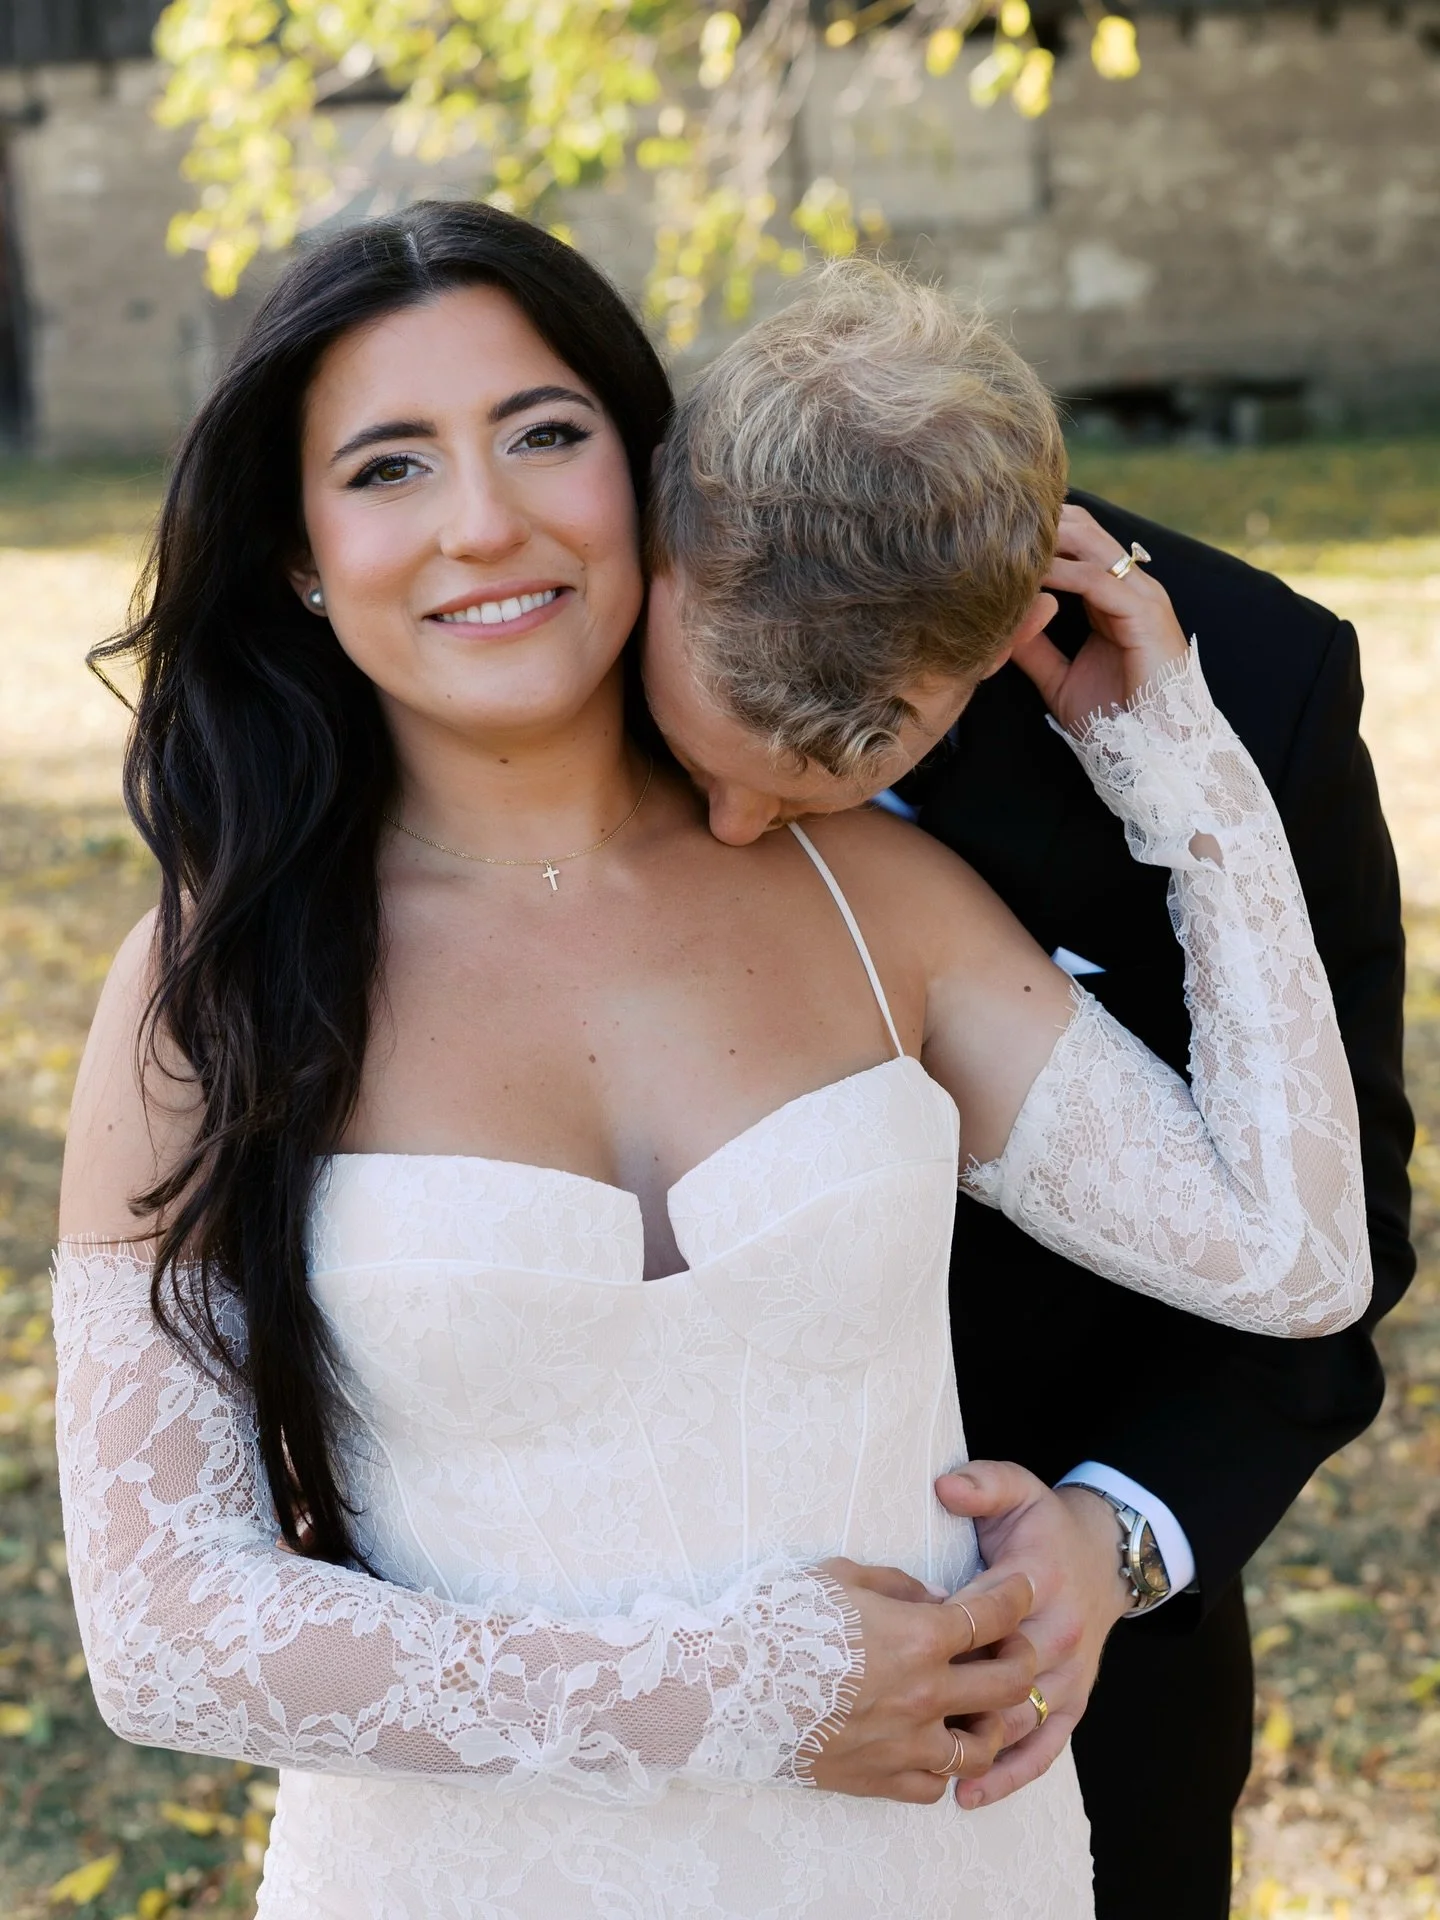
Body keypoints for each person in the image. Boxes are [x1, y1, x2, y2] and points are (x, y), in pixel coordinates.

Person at [54, 203, 1371, 1920]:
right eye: (388, 468)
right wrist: (742, 1694)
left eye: (544, 436)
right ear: (300, 554)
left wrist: (1177, 779)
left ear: (652, 475)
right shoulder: (204, 992)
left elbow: (1294, 1261)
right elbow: (162, 1636)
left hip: (943, 1864)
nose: (485, 521)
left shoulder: (874, 889)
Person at [641, 260, 1415, 1916]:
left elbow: (1345, 1256)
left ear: (996, 645)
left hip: (1053, 1681)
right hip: (640, 1626)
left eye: (809, 788)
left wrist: (1108, 1539)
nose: (723, 836)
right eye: (701, 760)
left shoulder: (1263, 691)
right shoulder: (585, 590)